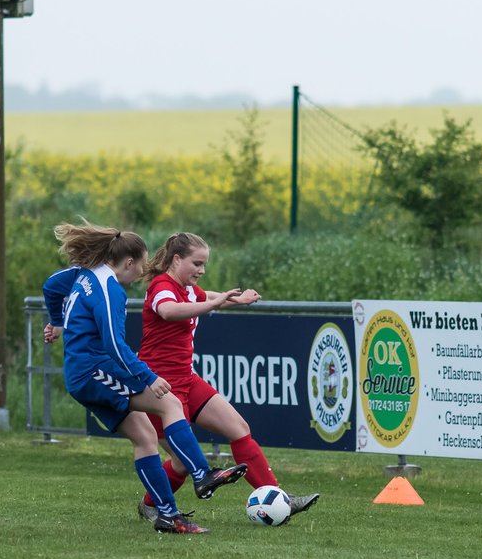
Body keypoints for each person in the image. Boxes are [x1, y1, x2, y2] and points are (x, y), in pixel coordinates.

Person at [47, 220, 248, 535]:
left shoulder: (82, 273)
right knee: (168, 404)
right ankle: (202, 475)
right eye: (139, 268)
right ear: (128, 262)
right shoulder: (109, 288)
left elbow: (51, 286)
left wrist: (58, 322)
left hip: (83, 371)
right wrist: (148, 377)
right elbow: (115, 344)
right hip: (93, 370)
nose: (140, 274)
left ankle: (168, 516)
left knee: (144, 436)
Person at [136, 231, 320, 524]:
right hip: (159, 388)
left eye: (205, 264)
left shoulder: (186, 289)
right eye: (197, 263)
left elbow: (208, 297)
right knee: (183, 463)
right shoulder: (162, 286)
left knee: (238, 427)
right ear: (177, 259)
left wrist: (237, 300)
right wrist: (213, 304)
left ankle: (276, 497)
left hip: (187, 379)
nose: (202, 270)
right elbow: (169, 311)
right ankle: (151, 504)